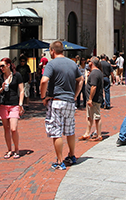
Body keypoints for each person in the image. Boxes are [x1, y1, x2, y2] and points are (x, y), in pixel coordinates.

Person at [40, 41, 83, 170]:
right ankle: (72, 155)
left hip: (57, 100)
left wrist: (43, 97)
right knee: (70, 130)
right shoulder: (72, 63)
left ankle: (59, 161)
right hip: (70, 101)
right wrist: (75, 95)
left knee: (56, 132)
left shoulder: (51, 64)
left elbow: (44, 80)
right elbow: (80, 80)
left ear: (53, 50)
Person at [0, 58, 24, 159]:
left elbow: (21, 90)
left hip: (14, 104)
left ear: (8, 65)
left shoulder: (17, 76)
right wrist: (2, 88)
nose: (1, 68)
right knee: (6, 129)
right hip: (3, 105)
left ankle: (16, 149)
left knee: (13, 128)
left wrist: (20, 104)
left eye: (3, 66)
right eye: (0, 66)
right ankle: (9, 150)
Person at [79, 56, 104, 141]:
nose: (87, 62)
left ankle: (99, 134)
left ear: (91, 63)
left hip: (94, 99)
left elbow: (93, 87)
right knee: (89, 116)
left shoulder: (95, 73)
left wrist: (90, 99)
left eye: (89, 61)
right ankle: (87, 133)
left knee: (97, 117)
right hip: (93, 99)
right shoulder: (96, 72)